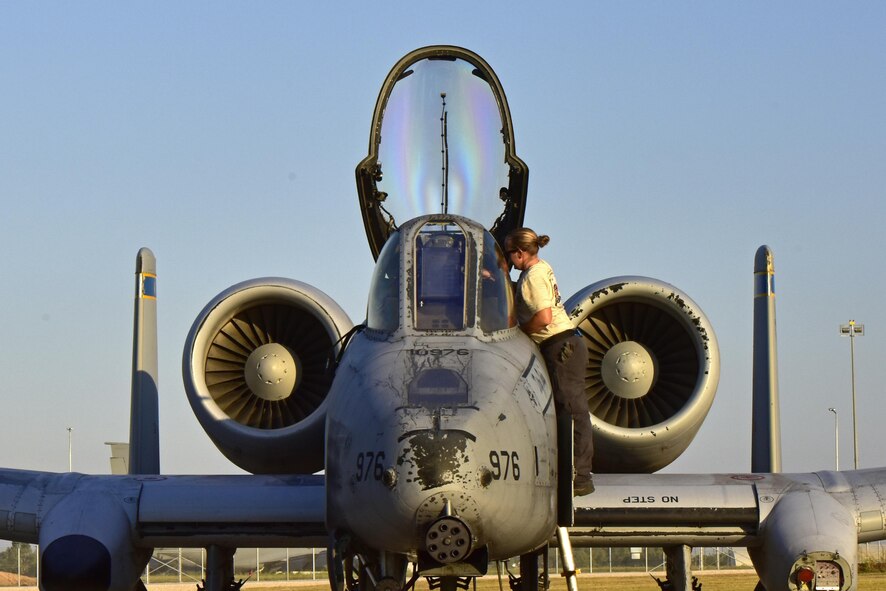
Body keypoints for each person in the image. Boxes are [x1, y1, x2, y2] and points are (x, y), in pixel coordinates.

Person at [505, 228, 594, 495]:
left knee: (573, 411)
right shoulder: (540, 268)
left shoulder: (531, 276)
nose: (510, 261)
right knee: (568, 409)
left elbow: (543, 317)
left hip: (560, 346)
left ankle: (579, 477)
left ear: (520, 253)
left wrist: (519, 332)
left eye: (510, 255)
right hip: (568, 344)